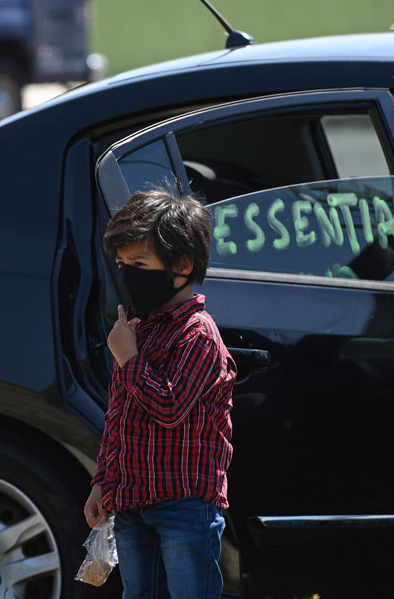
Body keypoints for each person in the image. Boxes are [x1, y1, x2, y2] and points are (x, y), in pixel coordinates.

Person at [82, 188, 236, 599]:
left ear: (182, 266)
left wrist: (129, 358)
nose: (128, 274)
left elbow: (169, 407)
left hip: (185, 504)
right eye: (122, 264)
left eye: (139, 263)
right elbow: (118, 416)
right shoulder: (136, 328)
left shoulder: (198, 333)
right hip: (131, 500)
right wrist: (103, 482)